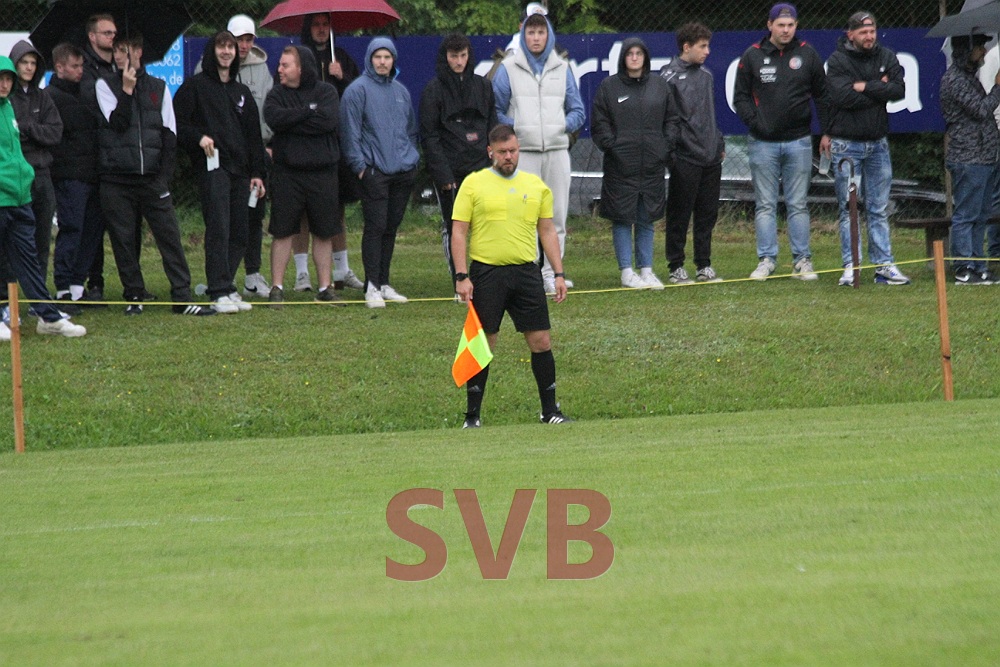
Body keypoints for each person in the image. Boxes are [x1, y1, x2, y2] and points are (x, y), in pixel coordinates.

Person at [451, 124, 571, 427]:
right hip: (487, 273)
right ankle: (472, 416)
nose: (508, 157)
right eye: (502, 151)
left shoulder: (536, 186)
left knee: (541, 340)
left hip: (526, 273)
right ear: (490, 151)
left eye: (513, 151)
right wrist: (461, 276)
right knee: (484, 343)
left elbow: (547, 231)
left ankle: (550, 411)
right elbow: (459, 231)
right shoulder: (473, 184)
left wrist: (558, 273)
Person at [95, 33, 214, 316]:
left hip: (152, 178)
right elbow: (117, 124)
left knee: (169, 237)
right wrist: (126, 90)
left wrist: (163, 177)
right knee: (123, 240)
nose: (120, 56)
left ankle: (182, 297)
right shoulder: (104, 85)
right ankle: (134, 294)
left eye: (125, 49)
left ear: (139, 51)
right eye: (117, 50)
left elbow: (169, 134)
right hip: (116, 179)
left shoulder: (159, 87)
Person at [492, 12, 586, 293]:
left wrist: (560, 127)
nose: (536, 38)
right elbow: (495, 110)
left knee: (556, 216)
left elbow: (578, 110)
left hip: (557, 152)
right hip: (525, 153)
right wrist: (518, 128)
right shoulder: (508, 67)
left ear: (549, 35)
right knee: (525, 215)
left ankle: (553, 274)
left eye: (541, 33)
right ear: (523, 35)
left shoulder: (563, 67)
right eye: (531, 33)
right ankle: (529, 275)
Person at [174, 31, 267, 314]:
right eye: (221, 46)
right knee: (219, 227)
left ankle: (227, 285)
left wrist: (258, 173)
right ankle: (218, 291)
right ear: (211, 51)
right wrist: (199, 137)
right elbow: (177, 123)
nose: (226, 51)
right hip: (213, 168)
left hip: (242, 171)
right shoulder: (195, 87)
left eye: (231, 47)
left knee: (241, 229)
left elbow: (254, 137)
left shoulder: (242, 93)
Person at [734, 3, 828, 281]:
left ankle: (802, 261)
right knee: (765, 204)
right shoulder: (752, 55)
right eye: (781, 25)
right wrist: (756, 123)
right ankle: (766, 260)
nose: (786, 30)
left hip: (799, 141)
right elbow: (740, 97)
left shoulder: (808, 54)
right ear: (770, 25)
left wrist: (826, 131)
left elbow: (823, 95)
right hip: (762, 143)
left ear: (796, 26)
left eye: (790, 25)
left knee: (798, 203)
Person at [0, 55, 86, 340]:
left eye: (8, 79)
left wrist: (24, 175)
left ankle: (47, 316)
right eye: (0, 79)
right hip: (1, 199)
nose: (4, 84)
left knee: (29, 260)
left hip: (19, 198)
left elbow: (15, 153)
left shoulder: (9, 109)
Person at [823, 11, 910, 286]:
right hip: (846, 145)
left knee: (878, 207)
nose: (869, 36)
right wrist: (878, 91)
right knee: (848, 208)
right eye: (863, 32)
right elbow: (842, 97)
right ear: (850, 34)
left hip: (878, 144)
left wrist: (864, 87)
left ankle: (884, 266)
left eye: (872, 31)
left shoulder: (886, 56)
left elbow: (898, 90)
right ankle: (852, 266)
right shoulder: (838, 60)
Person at [340, 37, 419, 308]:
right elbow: (349, 134)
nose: (382, 62)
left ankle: (383, 282)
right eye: (378, 57)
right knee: (375, 227)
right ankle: (371, 286)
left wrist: (411, 159)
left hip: (402, 171)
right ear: (370, 59)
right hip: (374, 172)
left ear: (393, 60)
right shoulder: (356, 90)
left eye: (387, 57)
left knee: (390, 228)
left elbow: (410, 129)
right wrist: (361, 169)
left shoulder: (401, 91)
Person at [264, 45, 343, 306]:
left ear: (301, 68)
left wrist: (293, 121)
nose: (279, 69)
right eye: (280, 64)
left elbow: (328, 121)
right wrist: (308, 112)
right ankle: (277, 287)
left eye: (285, 65)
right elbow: (274, 118)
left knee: (324, 232)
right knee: (282, 231)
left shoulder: (327, 92)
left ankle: (325, 287)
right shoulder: (277, 94)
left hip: (323, 173)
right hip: (288, 174)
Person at [420, 33, 498, 294]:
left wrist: (493, 163)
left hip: (482, 168)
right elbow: (429, 136)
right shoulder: (433, 90)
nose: (459, 61)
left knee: (486, 223)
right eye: (454, 56)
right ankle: (459, 280)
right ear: (445, 57)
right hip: (451, 172)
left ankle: (486, 278)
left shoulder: (483, 86)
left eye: (463, 55)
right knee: (454, 226)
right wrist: (443, 175)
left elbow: (493, 125)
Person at [591, 37, 670, 289]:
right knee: (622, 218)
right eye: (630, 53)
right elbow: (599, 122)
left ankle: (646, 270)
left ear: (645, 57)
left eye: (639, 53)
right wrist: (614, 148)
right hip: (620, 167)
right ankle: (627, 271)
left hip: (651, 166)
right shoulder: (609, 87)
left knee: (646, 218)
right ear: (623, 57)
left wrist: (663, 148)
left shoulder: (660, 86)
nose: (634, 58)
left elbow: (672, 120)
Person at [297, 12, 364, 293]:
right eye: (316, 25)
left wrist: (342, 76)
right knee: (302, 211)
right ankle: (302, 274)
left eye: (326, 25)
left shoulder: (342, 57)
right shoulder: (299, 57)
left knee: (336, 207)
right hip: (305, 145)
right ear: (309, 28)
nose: (322, 29)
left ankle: (341, 269)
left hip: (336, 144)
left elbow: (358, 92)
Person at [662, 23, 726, 284]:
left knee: (707, 214)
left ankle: (704, 264)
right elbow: (668, 119)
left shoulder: (707, 75)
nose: (707, 51)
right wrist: (674, 152)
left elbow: (710, 115)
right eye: (702, 46)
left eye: (708, 46)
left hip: (710, 156)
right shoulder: (668, 76)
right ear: (686, 47)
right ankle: (676, 266)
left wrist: (718, 144)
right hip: (685, 157)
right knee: (679, 214)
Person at [47, 43, 104, 308]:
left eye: (81, 65)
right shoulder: (50, 97)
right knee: (72, 228)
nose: (80, 70)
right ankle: (63, 286)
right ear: (59, 67)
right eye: (74, 66)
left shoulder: (87, 93)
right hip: (68, 176)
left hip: (92, 173)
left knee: (92, 230)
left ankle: (77, 285)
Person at [940, 34, 1000, 284]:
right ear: (966, 49)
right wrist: (998, 88)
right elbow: (981, 110)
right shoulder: (955, 80)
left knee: (981, 214)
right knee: (966, 214)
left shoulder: (969, 78)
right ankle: (963, 266)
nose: (984, 51)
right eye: (979, 47)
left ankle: (979, 264)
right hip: (968, 156)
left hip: (984, 156)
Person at [226, 15, 275, 300]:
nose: (243, 45)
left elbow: (268, 108)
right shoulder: (210, 65)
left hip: (257, 155)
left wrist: (268, 144)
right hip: (227, 157)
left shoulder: (261, 68)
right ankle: (224, 276)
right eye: (238, 40)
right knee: (227, 218)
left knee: (255, 215)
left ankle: (252, 275)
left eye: (248, 40)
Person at [8, 40, 63, 283]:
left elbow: (55, 133)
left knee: (42, 237)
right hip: (15, 177)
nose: (29, 67)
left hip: (42, 175)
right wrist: (34, 132)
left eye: (33, 63)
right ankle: (7, 294)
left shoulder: (43, 97)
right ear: (14, 65)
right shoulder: (6, 99)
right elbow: (10, 137)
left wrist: (29, 129)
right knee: (12, 237)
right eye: (24, 62)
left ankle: (38, 292)